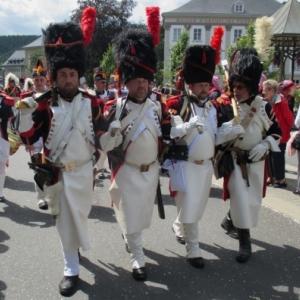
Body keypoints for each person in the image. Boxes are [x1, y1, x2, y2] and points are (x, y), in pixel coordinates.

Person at [16, 7, 99, 296]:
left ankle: (74, 250)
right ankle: (70, 267)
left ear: (79, 74)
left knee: (81, 216)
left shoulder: (93, 102)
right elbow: (28, 136)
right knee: (64, 219)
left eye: (72, 74)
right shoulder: (42, 104)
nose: (67, 79)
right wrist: (24, 114)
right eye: (62, 74)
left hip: (85, 172)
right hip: (59, 175)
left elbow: (100, 134)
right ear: (55, 76)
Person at [100, 9, 162, 280]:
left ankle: (132, 238)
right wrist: (112, 133)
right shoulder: (115, 109)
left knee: (139, 217)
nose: (142, 85)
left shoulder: (157, 107)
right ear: (128, 82)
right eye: (137, 81)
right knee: (131, 215)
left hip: (150, 172)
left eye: (145, 81)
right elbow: (103, 143)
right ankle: (138, 256)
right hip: (126, 172)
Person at [216, 48, 281, 263]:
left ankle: (228, 220)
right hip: (235, 162)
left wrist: (265, 144)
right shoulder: (226, 107)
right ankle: (245, 243)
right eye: (233, 86)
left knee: (252, 202)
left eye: (240, 87)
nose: (235, 90)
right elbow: (215, 134)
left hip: (257, 163)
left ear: (251, 87)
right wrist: (226, 131)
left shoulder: (263, 106)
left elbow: (277, 133)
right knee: (242, 200)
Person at [162, 43, 222, 269]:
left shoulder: (214, 107)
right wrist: (185, 127)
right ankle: (193, 248)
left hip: (205, 166)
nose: (205, 89)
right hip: (184, 165)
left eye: (207, 84)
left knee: (196, 206)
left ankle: (179, 226)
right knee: (189, 206)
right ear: (191, 85)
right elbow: (167, 133)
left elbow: (215, 133)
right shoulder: (177, 103)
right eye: (200, 85)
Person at [262, 79, 294, 188]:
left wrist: (283, 130)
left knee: (278, 157)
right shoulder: (266, 102)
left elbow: (290, 120)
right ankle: (271, 177)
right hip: (271, 134)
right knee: (270, 155)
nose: (263, 92)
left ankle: (281, 180)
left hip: (281, 135)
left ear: (272, 91)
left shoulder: (281, 102)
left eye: (265, 90)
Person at [93, 67, 110, 179]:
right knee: (100, 152)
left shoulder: (109, 93)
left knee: (107, 151)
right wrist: (101, 102)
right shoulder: (91, 95)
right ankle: (99, 170)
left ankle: (103, 167)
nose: (104, 84)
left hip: (108, 126)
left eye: (105, 82)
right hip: (97, 127)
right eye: (102, 82)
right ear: (95, 82)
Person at [0, 92, 14, 202]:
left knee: (1, 166)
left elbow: (9, 116)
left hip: (1, 137)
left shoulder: (5, 99)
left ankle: (0, 192)